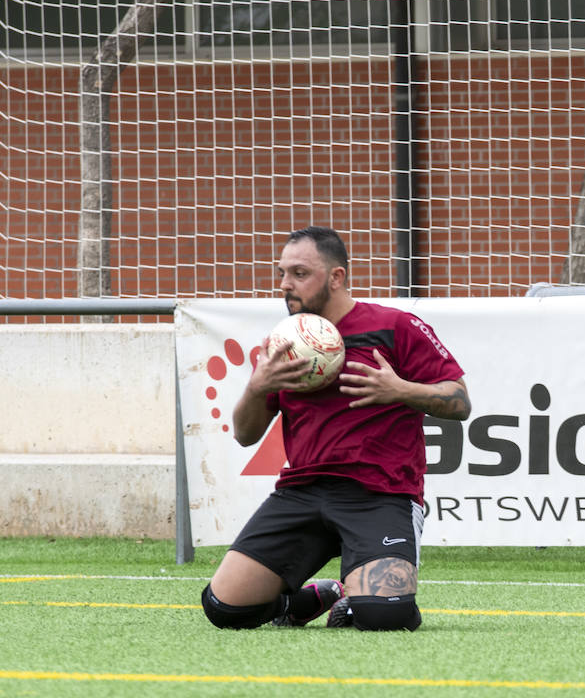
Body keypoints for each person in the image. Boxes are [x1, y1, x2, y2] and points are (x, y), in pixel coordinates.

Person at [201, 226, 471, 632]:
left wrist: (400, 389)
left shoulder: (395, 327)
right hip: (301, 493)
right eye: (281, 273)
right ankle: (310, 598)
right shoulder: (283, 344)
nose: (285, 285)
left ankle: (358, 595)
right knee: (224, 608)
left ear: (337, 277)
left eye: (299, 273)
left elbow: (460, 402)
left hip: (379, 494)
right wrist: (257, 387)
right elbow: (245, 434)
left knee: (384, 616)